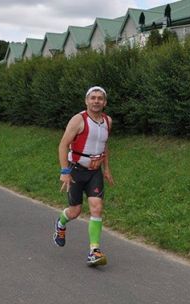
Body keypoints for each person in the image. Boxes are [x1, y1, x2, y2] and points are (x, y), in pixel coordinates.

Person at [53, 86, 115, 267]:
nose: (96, 101)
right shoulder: (78, 120)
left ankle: (94, 251)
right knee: (75, 211)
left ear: (105, 102)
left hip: (94, 172)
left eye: (100, 98)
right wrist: (65, 172)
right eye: (93, 98)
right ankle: (61, 223)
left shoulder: (107, 121)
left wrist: (107, 169)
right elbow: (63, 145)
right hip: (76, 170)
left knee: (96, 207)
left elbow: (104, 146)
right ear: (86, 101)